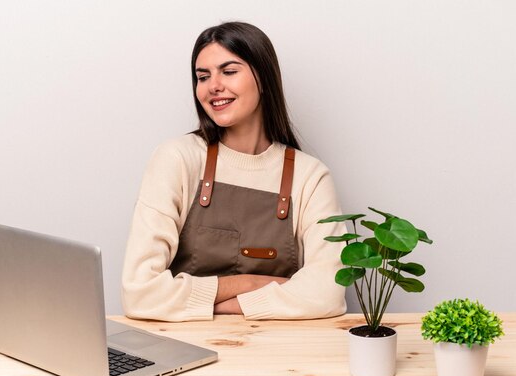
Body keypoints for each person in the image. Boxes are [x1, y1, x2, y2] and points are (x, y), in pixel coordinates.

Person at [121, 22, 347, 321]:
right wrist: (251, 283)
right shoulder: (177, 158)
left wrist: (202, 303)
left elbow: (328, 294)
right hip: (184, 349)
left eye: (229, 71)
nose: (213, 86)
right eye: (203, 76)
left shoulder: (310, 176)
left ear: (263, 78)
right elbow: (139, 294)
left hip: (284, 353)